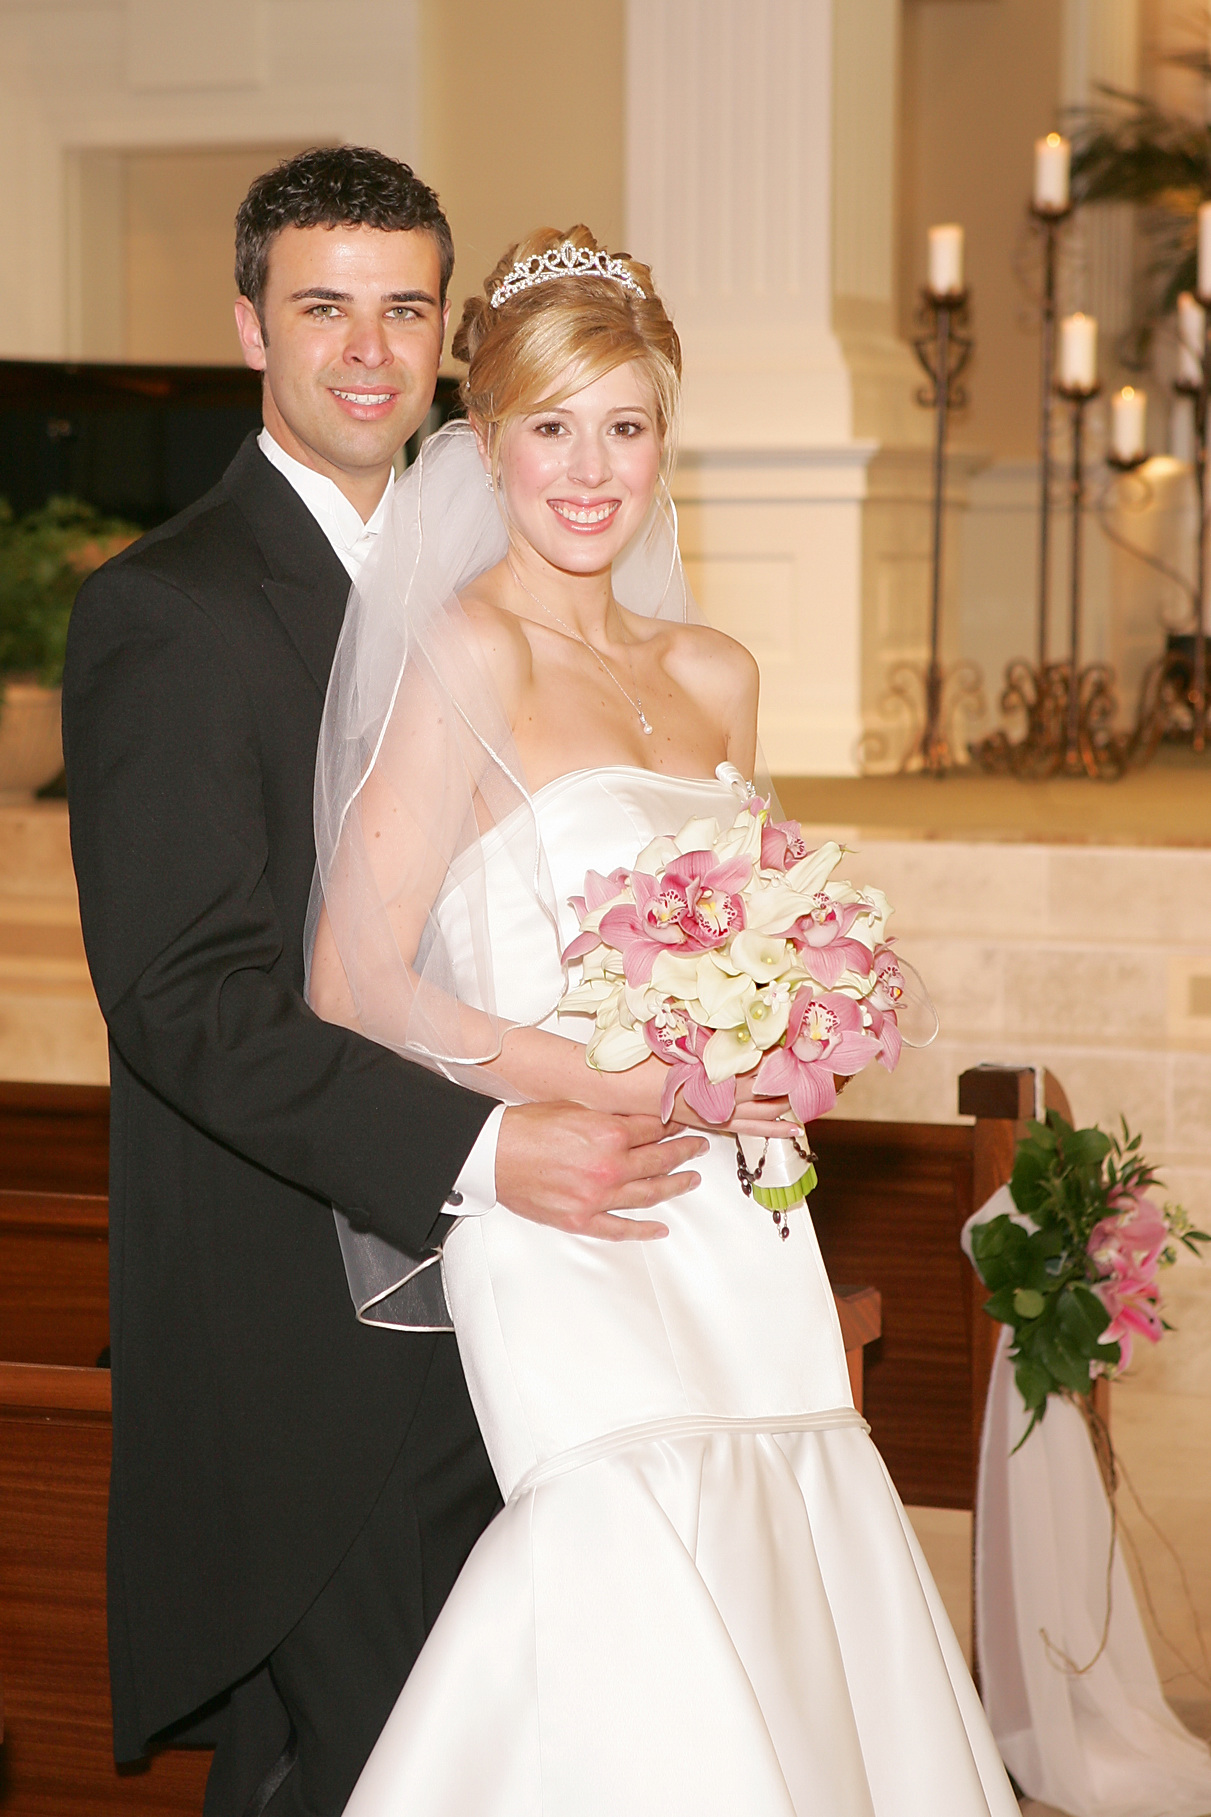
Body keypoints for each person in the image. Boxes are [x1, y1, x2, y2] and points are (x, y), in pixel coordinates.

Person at [309, 225, 1022, 1815]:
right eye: (552, 426)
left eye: (624, 426)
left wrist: (782, 1053)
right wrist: (611, 1078)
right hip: (571, 1201)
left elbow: (758, 923)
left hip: (735, 1211)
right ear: (486, 439)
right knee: (618, 1540)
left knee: (787, 1537)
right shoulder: (468, 650)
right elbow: (353, 981)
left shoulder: (717, 671)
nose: (590, 470)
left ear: (663, 440)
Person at [62, 152, 719, 1817]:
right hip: (314, 1332)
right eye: (323, 307)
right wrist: (482, 1151)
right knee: (365, 1771)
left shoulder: (523, 576)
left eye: (406, 309)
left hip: (537, 1304)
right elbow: (188, 1000)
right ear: (249, 326)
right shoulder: (168, 609)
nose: (369, 351)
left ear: (448, 340)